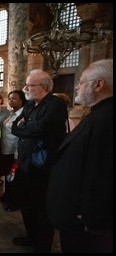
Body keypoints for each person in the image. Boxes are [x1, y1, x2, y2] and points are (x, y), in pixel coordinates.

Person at [47, 59, 113, 253]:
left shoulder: (107, 118)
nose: (77, 86)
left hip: (86, 222)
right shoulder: (98, 113)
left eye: (82, 81)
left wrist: (88, 216)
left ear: (99, 84)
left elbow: (103, 173)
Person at [11, 69, 68, 252]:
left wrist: (25, 126)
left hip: (42, 168)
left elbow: (42, 127)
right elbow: (14, 126)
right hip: (25, 164)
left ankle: (43, 245)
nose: (25, 88)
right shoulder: (29, 105)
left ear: (43, 87)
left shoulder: (56, 104)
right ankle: (31, 236)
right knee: (27, 205)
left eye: (29, 85)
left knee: (41, 208)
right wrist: (27, 126)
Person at [0, 90, 27, 212]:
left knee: (15, 177)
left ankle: (15, 202)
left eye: (14, 98)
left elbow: (20, 136)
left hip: (14, 151)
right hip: (6, 150)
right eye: (9, 98)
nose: (11, 100)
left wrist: (17, 154)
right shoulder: (12, 113)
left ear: (21, 100)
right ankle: (7, 195)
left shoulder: (23, 115)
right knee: (8, 175)